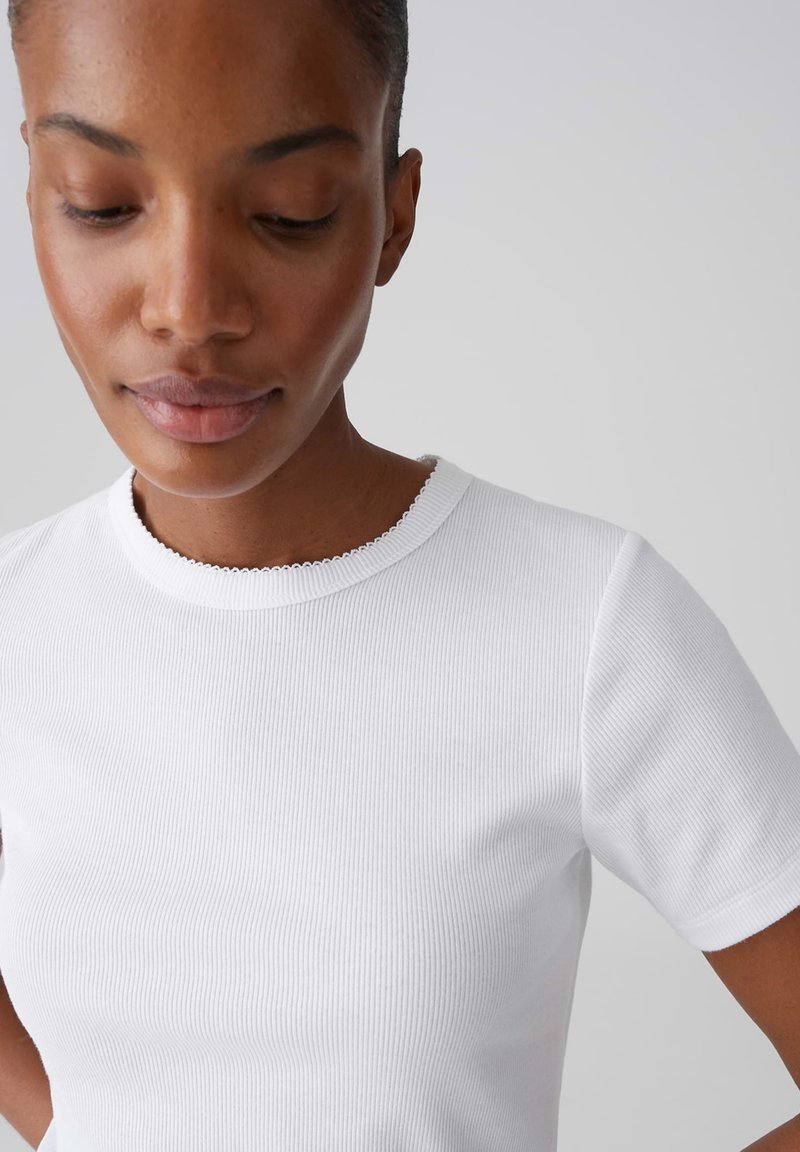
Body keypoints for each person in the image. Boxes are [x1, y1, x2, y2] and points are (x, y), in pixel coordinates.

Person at [1, 2, 798, 1151]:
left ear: (394, 215)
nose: (188, 309)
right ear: (36, 189)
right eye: (101, 203)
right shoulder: (16, 621)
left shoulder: (583, 620)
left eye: (289, 213)